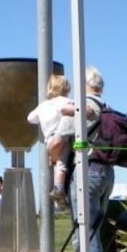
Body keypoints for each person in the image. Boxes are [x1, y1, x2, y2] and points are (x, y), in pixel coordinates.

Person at [68, 66, 113, 252]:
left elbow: (59, 139)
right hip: (107, 173)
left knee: (85, 232)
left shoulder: (82, 107)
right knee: (93, 230)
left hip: (87, 171)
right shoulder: (106, 108)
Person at [27, 74, 79, 209]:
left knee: (57, 162)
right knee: (61, 165)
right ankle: (59, 189)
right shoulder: (65, 101)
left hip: (48, 139)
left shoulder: (43, 105)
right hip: (62, 138)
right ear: (66, 88)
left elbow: (30, 118)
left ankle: (58, 185)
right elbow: (75, 110)